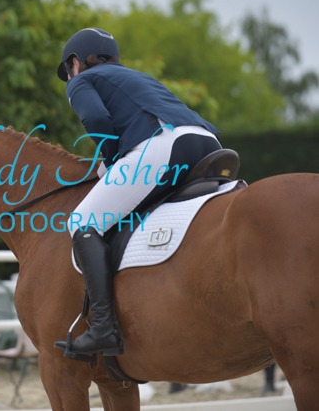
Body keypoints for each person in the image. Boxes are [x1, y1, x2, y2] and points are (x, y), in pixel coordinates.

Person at [53, 28, 222, 357]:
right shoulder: (137, 77)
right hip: (208, 142)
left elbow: (96, 119)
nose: (69, 77)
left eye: (67, 70)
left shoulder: (82, 80)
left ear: (75, 62)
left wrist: (111, 159)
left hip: (164, 146)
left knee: (82, 222)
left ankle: (103, 327)